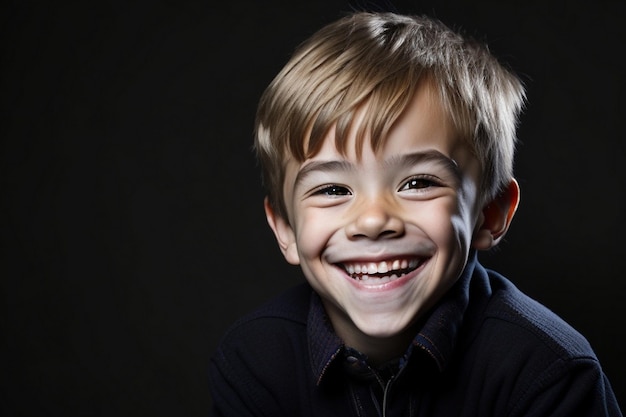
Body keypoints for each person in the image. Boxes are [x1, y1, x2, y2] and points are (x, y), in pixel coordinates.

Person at [208, 11, 623, 416]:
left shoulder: (546, 371)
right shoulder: (254, 361)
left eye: (418, 183)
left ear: (490, 213)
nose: (372, 221)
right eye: (333, 189)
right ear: (285, 228)